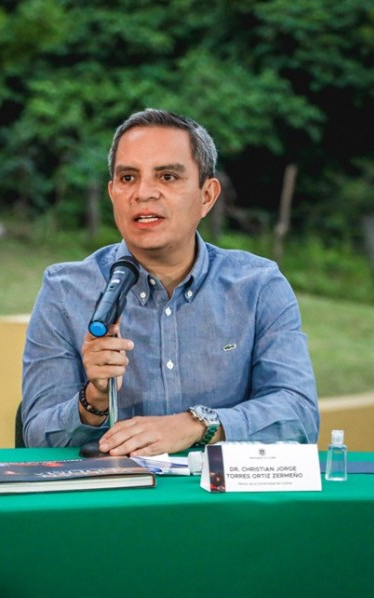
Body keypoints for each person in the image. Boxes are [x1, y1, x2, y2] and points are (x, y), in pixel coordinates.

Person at [22, 108, 319, 454]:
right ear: (113, 193)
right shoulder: (64, 290)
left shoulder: (259, 286)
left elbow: (300, 417)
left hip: (220, 489)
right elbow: (36, 437)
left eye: (167, 177)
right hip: (117, 488)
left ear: (207, 196)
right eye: (128, 178)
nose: (143, 193)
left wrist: (197, 425)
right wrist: (95, 398)